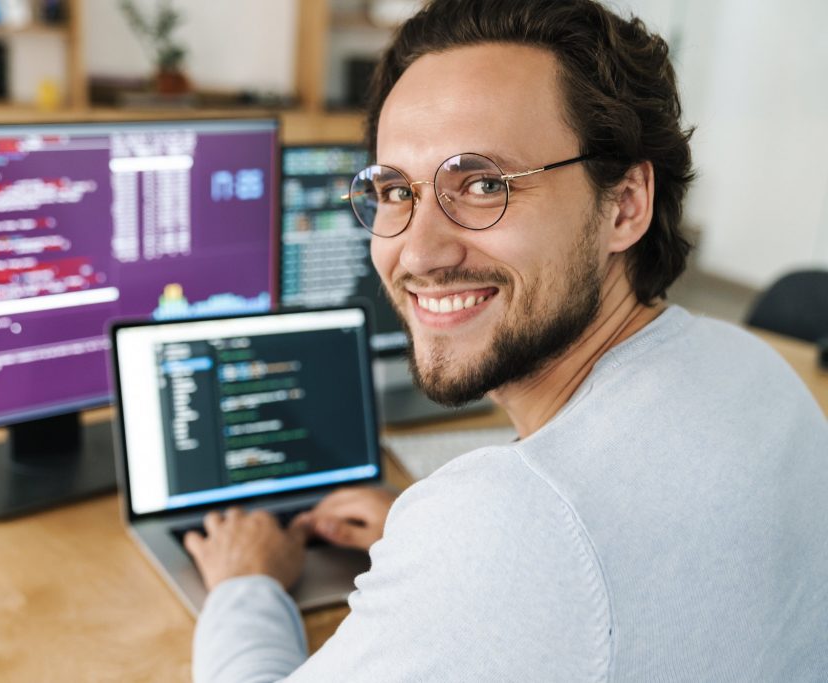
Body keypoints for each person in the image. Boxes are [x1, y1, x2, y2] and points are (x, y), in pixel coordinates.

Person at [184, 0, 828, 680]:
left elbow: (543, 541)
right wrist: (433, 538)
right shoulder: (753, 364)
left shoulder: (511, 525)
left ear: (626, 204)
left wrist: (243, 584)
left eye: (485, 183)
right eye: (396, 190)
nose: (421, 251)